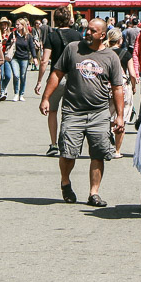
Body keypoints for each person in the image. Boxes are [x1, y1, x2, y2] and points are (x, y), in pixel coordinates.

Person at [39, 18, 124, 207]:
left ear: (102, 35)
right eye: (87, 29)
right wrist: (46, 98)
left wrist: (119, 116)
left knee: (98, 153)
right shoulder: (72, 49)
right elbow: (57, 74)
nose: (87, 33)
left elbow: (118, 88)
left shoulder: (111, 57)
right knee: (68, 152)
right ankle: (65, 181)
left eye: (93, 31)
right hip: (73, 111)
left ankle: (94, 193)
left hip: (99, 112)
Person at [34, 6, 83, 156]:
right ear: (69, 19)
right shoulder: (77, 35)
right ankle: (70, 143)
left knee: (53, 110)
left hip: (56, 77)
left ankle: (54, 144)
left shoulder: (52, 36)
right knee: (72, 112)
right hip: (74, 78)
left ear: (55, 20)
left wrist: (40, 81)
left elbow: (44, 61)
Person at [105, 27, 132, 156]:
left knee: (106, 117)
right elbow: (132, 73)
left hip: (106, 88)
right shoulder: (126, 54)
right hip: (122, 88)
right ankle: (117, 150)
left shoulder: (104, 53)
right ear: (120, 40)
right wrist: (134, 85)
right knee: (122, 117)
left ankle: (106, 143)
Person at [9, 18, 34, 101]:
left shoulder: (28, 36)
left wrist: (35, 58)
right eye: (16, 24)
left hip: (24, 58)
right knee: (16, 75)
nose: (16, 26)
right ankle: (16, 93)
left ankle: (21, 94)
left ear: (23, 25)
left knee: (23, 76)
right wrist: (12, 42)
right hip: (14, 58)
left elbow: (32, 47)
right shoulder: (13, 34)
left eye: (18, 24)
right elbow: (8, 45)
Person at [0, 16, 15, 101]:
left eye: (5, 24)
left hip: (7, 55)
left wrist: (11, 42)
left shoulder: (10, 34)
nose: (4, 26)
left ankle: (3, 87)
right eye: (2, 24)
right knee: (1, 74)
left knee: (8, 75)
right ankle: (1, 91)